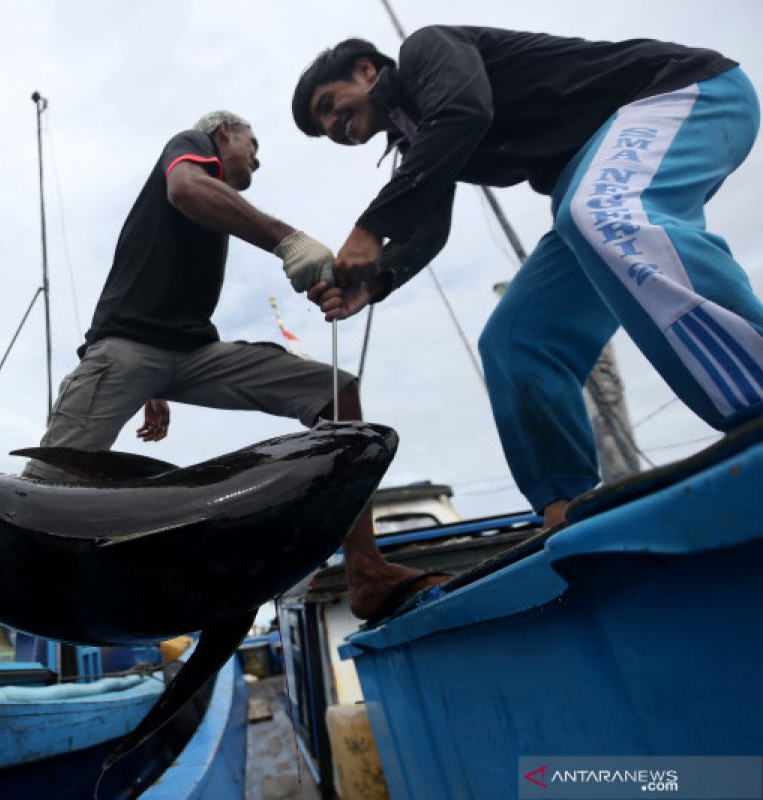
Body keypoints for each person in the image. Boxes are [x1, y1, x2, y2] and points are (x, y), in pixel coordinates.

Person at [0, 110, 443, 699]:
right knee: (30, 498)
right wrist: (287, 240)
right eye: (254, 145)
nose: (257, 159)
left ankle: (366, 571)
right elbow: (185, 188)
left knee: (337, 391)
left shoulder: (217, 202)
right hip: (122, 351)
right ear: (223, 134)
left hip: (193, 352)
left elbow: (169, 283)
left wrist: (162, 388)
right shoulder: (193, 152)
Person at [292, 28, 762, 529]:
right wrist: (377, 280)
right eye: (325, 129)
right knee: (516, 339)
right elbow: (428, 231)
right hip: (584, 185)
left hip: (682, 93)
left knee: (603, 213)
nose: (334, 125)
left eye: (330, 104)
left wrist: (370, 228)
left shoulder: (426, 52)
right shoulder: (420, 143)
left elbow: (463, 112)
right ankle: (569, 509)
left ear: (367, 71)